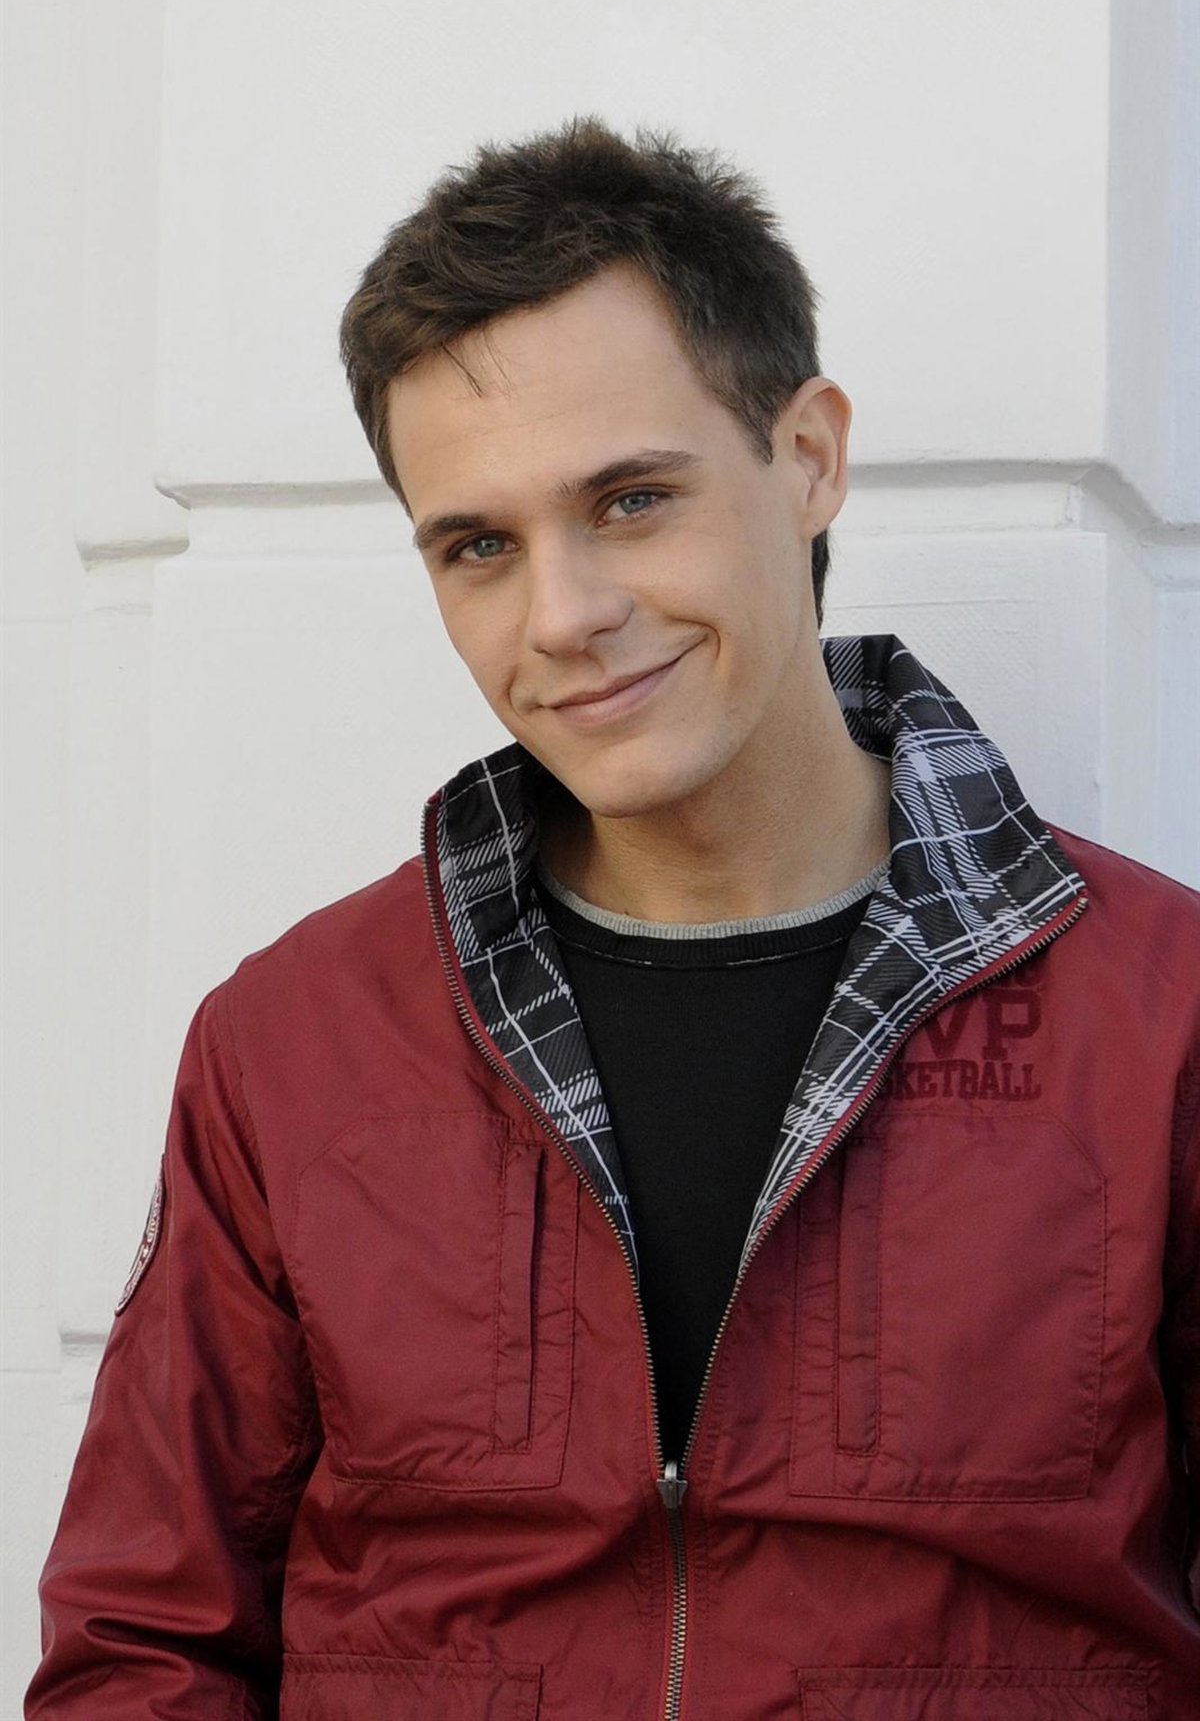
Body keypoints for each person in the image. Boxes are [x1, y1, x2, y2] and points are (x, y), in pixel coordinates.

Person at [27, 116, 1200, 1720]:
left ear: (809, 458)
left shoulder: (1162, 1017)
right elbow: (144, 1649)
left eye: (633, 500)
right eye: (479, 546)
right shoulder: (287, 1047)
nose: (564, 615)